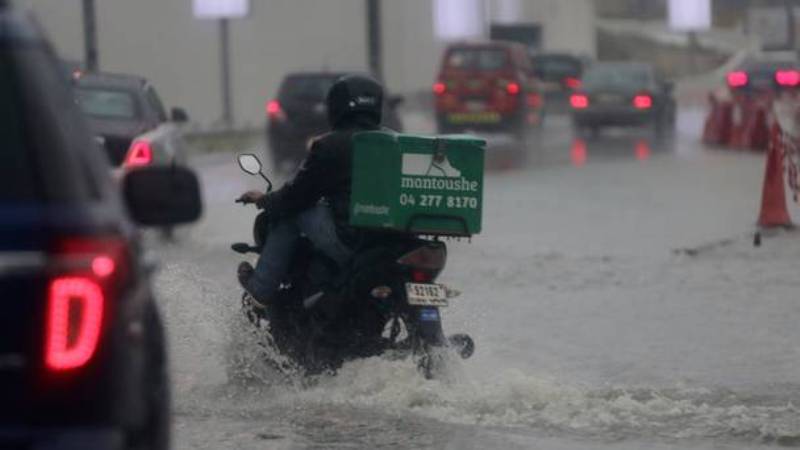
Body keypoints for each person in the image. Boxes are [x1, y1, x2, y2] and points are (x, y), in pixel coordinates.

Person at [237, 74, 385, 307]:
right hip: (391, 243)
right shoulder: (395, 143)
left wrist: (265, 200)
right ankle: (435, 337)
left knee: (290, 214)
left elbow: (296, 196)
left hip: (351, 241)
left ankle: (261, 288)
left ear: (337, 106)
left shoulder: (330, 145)